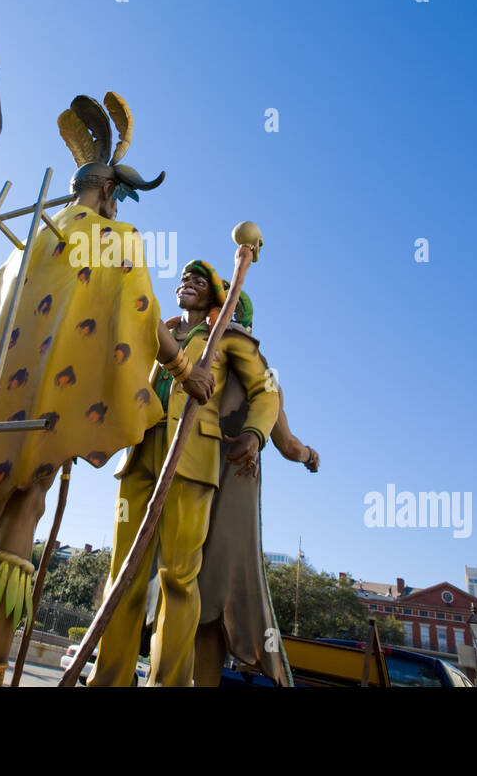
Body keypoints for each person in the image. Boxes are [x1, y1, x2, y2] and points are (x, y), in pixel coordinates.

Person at [0, 94, 214, 686]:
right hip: (44, 426)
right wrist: (189, 373)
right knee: (14, 536)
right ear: (111, 192)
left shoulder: (26, 243)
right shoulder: (116, 240)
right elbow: (143, 317)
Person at [89, 260, 280, 686]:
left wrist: (255, 433)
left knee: (178, 577)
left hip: (192, 463)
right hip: (140, 454)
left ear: (215, 296)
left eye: (198, 281)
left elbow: (265, 391)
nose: (186, 284)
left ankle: (168, 682)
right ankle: (109, 678)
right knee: (124, 572)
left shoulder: (228, 338)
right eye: (183, 279)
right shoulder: (158, 330)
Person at [190, 292, 320, 687]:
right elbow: (288, 445)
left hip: (203, 485)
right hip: (226, 495)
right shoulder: (257, 373)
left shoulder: (196, 360)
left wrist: (304, 452)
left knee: (196, 590)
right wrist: (310, 455)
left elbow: (284, 440)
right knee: (212, 591)